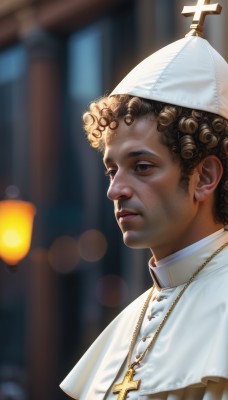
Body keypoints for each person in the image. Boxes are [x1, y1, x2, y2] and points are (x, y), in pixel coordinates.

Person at [60, 1, 228, 399]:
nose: (115, 189)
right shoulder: (132, 318)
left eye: (143, 167)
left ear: (204, 177)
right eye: (112, 169)